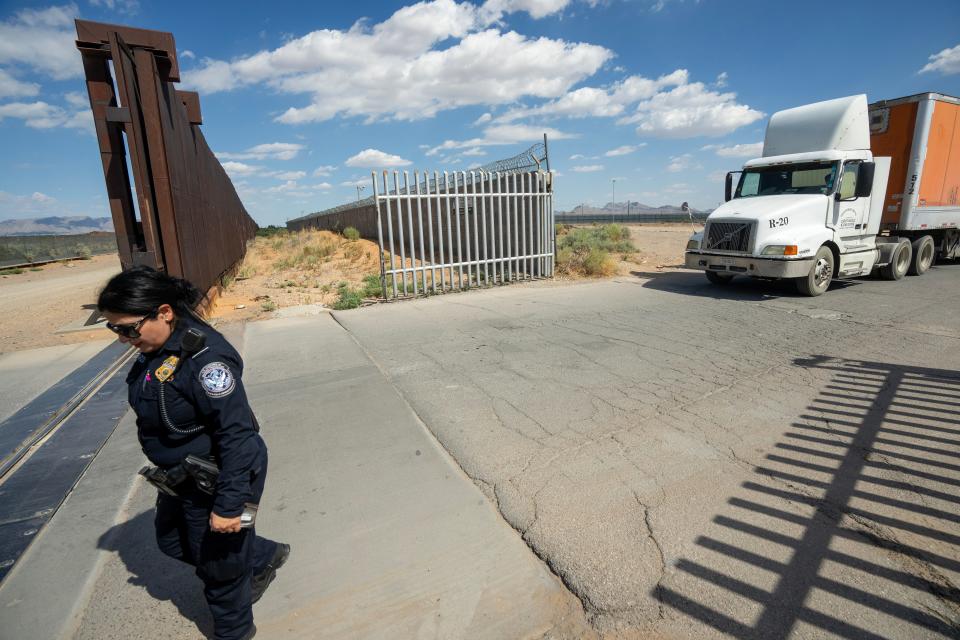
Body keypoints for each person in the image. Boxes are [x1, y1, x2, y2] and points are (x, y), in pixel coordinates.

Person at [98, 265, 289, 640]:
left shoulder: (206, 360)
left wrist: (230, 505)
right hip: (184, 476)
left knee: (221, 567)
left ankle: (234, 629)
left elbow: (237, 435)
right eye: (114, 329)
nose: (123, 338)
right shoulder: (158, 349)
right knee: (171, 541)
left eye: (128, 328)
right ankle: (262, 554)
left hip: (222, 474)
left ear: (164, 312)